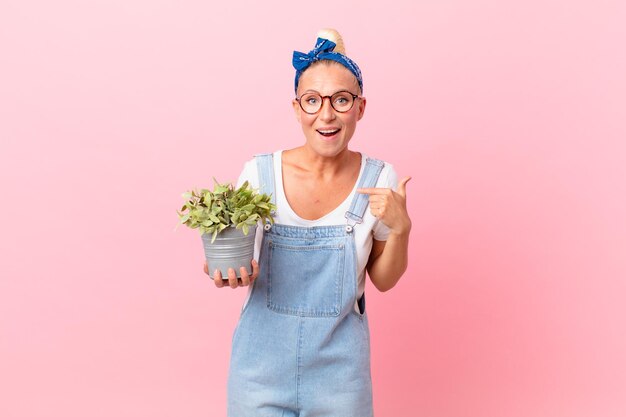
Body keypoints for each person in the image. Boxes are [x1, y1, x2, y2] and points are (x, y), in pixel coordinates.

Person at [203, 28, 412, 417]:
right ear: (297, 108)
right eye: (312, 101)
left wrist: (401, 229)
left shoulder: (379, 179)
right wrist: (227, 269)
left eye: (341, 100)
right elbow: (239, 262)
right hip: (258, 373)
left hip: (340, 377)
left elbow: (383, 280)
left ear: (360, 107)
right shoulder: (259, 174)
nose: (326, 115)